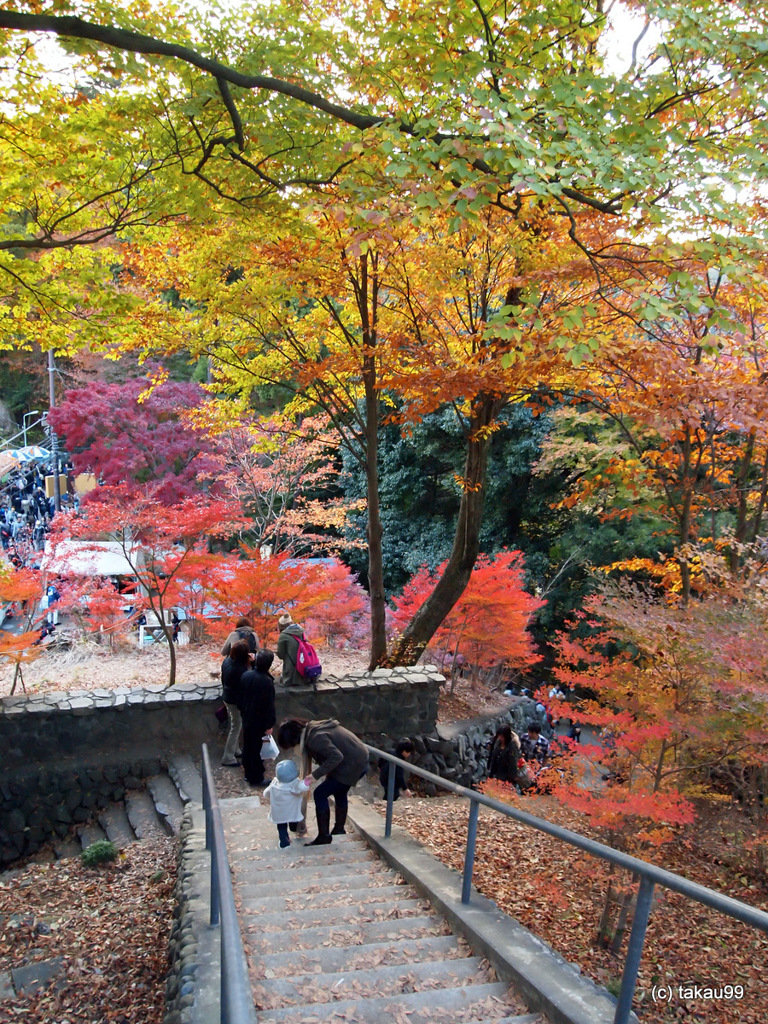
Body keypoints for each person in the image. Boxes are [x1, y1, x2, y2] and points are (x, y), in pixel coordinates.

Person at [276, 717, 370, 846]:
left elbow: (336, 756)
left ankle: (324, 836)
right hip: (357, 759)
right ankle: (339, 829)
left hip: (352, 764)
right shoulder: (312, 729)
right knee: (339, 791)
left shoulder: (315, 739)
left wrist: (316, 774)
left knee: (320, 793)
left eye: (292, 746)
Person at [238, 649, 277, 787]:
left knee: (248, 746)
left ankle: (248, 772)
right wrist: (269, 725)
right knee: (256, 749)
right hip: (258, 721)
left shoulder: (246, 675)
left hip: (247, 717)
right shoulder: (266, 682)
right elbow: (268, 706)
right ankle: (255, 777)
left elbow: (241, 697)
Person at [262, 759, 312, 849]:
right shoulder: (294, 785)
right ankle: (293, 828)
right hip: (292, 810)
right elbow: (302, 787)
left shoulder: (274, 784)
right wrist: (307, 782)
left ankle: (284, 843)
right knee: (293, 820)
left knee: (281, 827)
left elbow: (266, 793)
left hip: (279, 812)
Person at [220, 639, 252, 766]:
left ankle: (236, 749)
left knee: (235, 724)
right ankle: (227, 757)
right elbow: (248, 682)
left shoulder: (227, 661)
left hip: (227, 697)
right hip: (235, 701)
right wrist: (251, 664)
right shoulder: (241, 670)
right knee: (236, 726)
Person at [275, 612, 306, 687]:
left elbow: (281, 655)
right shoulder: (302, 632)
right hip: (305, 670)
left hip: (292, 674)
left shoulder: (283, 636)